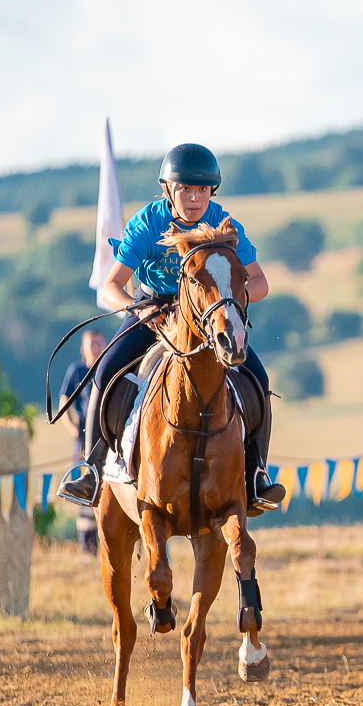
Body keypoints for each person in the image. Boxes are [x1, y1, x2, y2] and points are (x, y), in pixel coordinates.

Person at [57, 143, 286, 513]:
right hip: (153, 311)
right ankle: (92, 467)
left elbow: (260, 283)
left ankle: (256, 475)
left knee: (258, 377)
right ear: (168, 189)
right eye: (185, 189)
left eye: (202, 190)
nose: (194, 199)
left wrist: (224, 298)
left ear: (212, 192)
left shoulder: (224, 225)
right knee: (105, 368)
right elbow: (110, 286)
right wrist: (140, 309)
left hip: (205, 316)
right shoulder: (149, 222)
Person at [59, 329, 107, 553]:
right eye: (91, 343)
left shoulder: (109, 368)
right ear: (83, 349)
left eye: (99, 343)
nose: (96, 347)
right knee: (85, 491)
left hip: (107, 435)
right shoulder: (76, 371)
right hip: (84, 438)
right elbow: (63, 404)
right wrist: (73, 432)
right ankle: (87, 547)